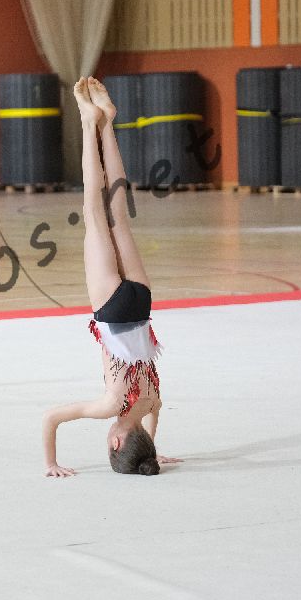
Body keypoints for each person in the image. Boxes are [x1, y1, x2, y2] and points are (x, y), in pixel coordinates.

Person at [41, 77, 180, 477]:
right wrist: (51, 463)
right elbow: (51, 418)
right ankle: (89, 122)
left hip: (141, 302)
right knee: (94, 210)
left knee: (118, 208)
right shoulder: (111, 406)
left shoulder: (151, 400)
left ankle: (108, 121)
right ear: (116, 442)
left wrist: (154, 452)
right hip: (113, 310)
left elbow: (154, 414)